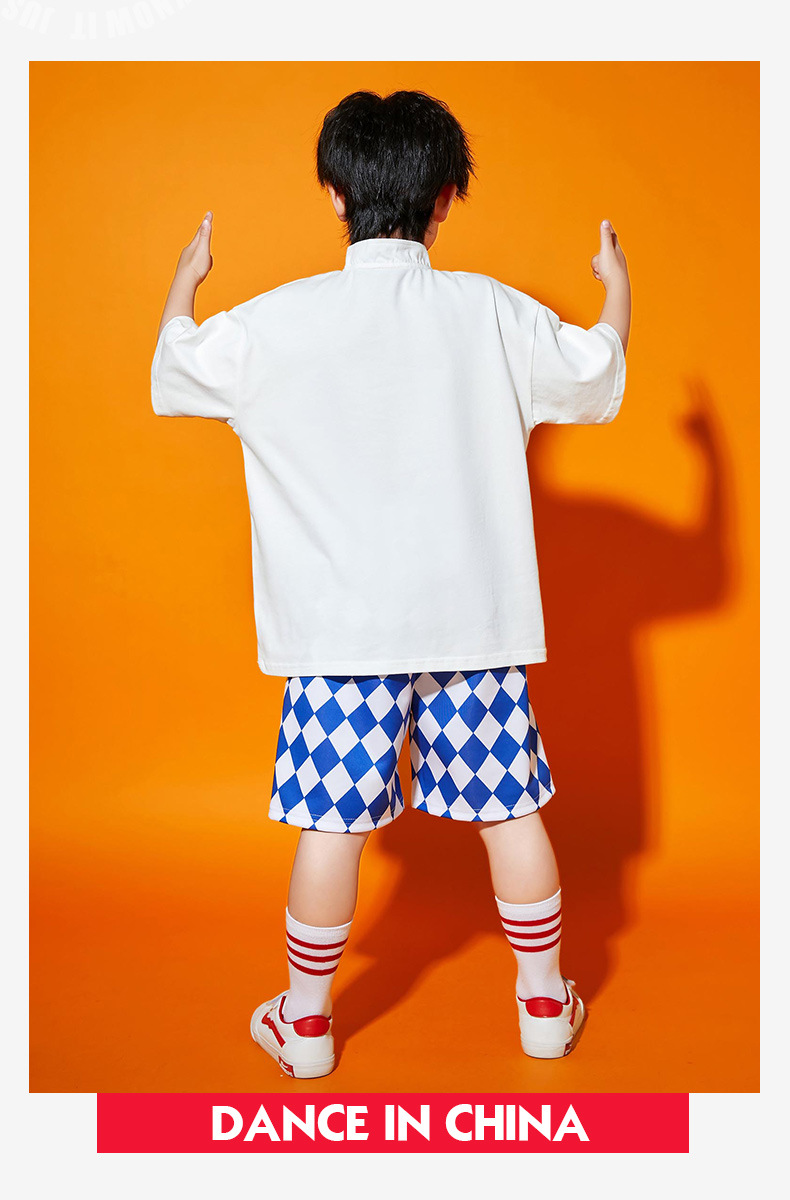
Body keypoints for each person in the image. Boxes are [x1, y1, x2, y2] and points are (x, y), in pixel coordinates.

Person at [151, 89, 631, 1079]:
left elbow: (177, 364)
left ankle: (307, 1025)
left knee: (332, 826)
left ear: (334, 194)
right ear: (446, 197)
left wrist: (186, 282)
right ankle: (545, 1008)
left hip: (342, 636)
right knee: (510, 811)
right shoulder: (490, 310)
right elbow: (595, 370)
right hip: (472, 628)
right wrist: (615, 284)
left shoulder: (275, 321)